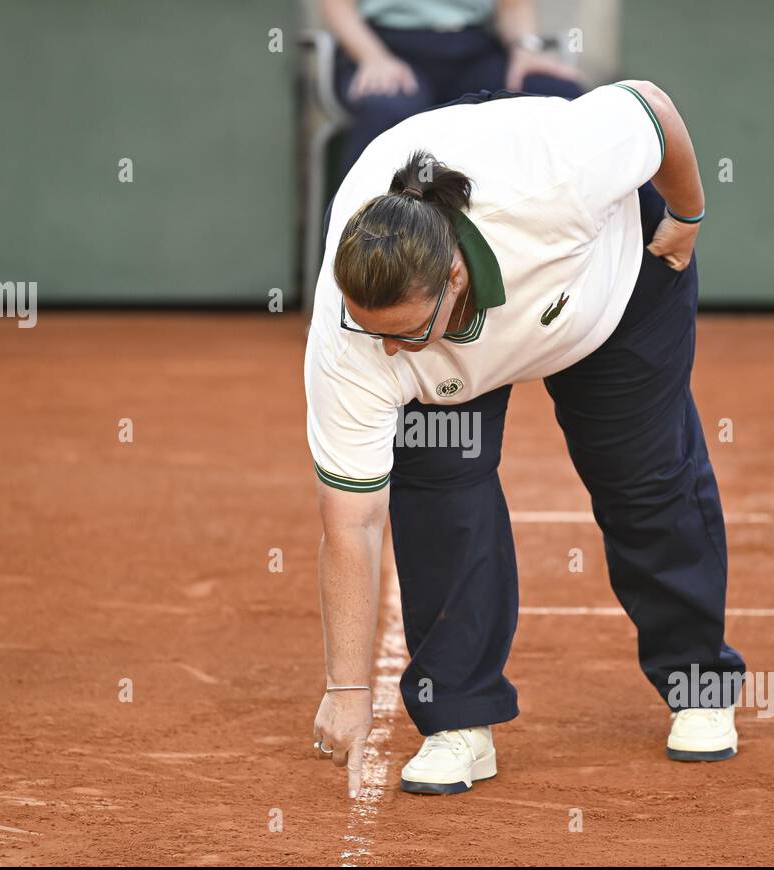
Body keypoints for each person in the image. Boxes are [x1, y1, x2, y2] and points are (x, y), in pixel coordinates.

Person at [306, 82, 747, 798]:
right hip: (457, 363)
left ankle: (699, 684)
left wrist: (689, 213)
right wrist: (347, 687)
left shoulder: (552, 180)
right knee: (441, 500)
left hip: (613, 294)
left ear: (453, 277)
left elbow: (653, 107)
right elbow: (350, 522)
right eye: (373, 332)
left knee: (646, 481)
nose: (387, 353)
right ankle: (458, 722)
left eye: (405, 333)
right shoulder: (355, 339)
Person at [320, 0, 582, 176]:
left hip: (473, 46)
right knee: (387, 109)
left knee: (560, 98)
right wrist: (372, 56)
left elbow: (512, 7)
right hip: (386, 45)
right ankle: (359, 245)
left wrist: (525, 48)